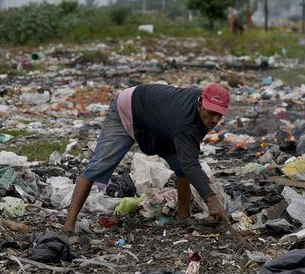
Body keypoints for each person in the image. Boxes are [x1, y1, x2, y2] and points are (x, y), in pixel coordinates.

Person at [61, 82, 230, 232]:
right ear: (200, 104)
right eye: (211, 113)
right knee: (99, 165)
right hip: (128, 108)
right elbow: (191, 164)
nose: (214, 120)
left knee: (180, 166)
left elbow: (188, 161)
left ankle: (183, 218)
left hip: (158, 124)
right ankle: (69, 225)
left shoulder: (199, 115)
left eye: (219, 115)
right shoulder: (184, 123)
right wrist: (211, 199)